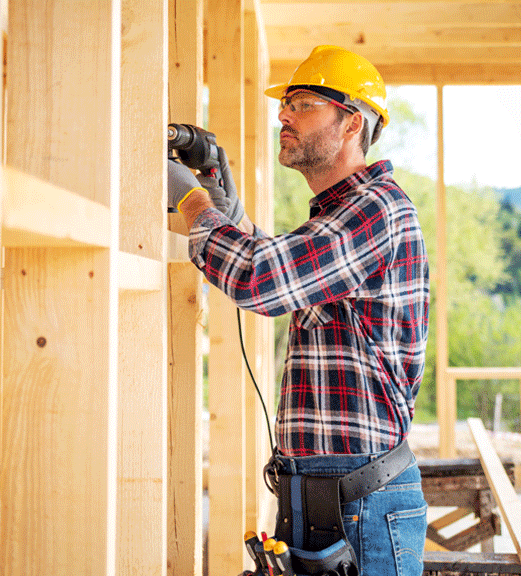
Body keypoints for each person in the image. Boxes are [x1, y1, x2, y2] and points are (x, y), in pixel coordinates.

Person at [167, 46, 429, 576]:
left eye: (303, 104)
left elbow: (261, 280)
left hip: (362, 504)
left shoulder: (377, 209)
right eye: (284, 104)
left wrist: (192, 203)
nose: (283, 116)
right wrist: (227, 215)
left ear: (351, 122)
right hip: (326, 496)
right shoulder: (341, 215)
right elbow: (287, 274)